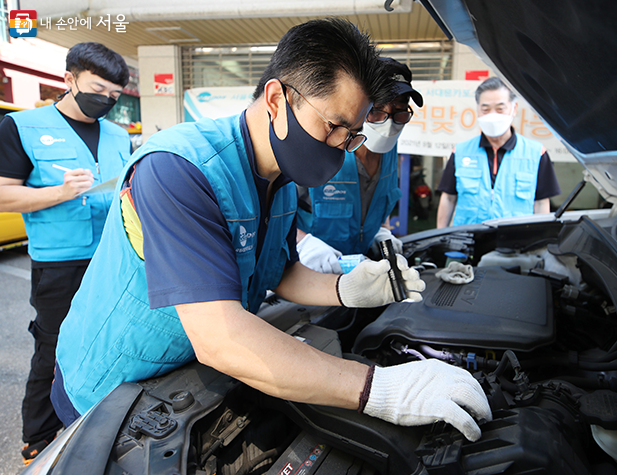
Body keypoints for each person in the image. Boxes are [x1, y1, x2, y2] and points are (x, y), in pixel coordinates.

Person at [51, 19, 491, 443]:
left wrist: (347, 290)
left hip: (184, 385)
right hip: (110, 391)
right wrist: (379, 389)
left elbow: (276, 272)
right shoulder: (178, 169)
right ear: (278, 99)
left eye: (353, 134)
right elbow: (220, 335)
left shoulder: (280, 179)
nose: (343, 145)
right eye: (335, 126)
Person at [0, 42, 131, 464]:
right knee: (54, 350)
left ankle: (99, 428)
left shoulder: (118, 134)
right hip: (59, 264)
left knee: (112, 344)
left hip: (113, 256)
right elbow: (3, 197)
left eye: (114, 96)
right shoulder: (22, 127)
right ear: (69, 79)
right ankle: (36, 442)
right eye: (97, 89)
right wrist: (59, 192)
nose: (105, 101)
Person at [295, 57, 423, 273]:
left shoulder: (390, 152)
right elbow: (273, 215)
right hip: (309, 276)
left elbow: (378, 202)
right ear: (358, 107)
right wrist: (305, 245)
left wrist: (382, 232)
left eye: (400, 112)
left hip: (363, 275)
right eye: (376, 111)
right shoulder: (321, 149)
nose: (388, 123)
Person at [436, 77, 561, 228]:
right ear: (478, 111)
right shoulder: (461, 152)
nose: (492, 115)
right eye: (486, 109)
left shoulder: (536, 153)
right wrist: (440, 237)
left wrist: (538, 239)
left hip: (515, 243)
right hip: (467, 240)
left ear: (513, 109)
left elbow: (541, 203)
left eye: (500, 109)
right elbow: (448, 198)